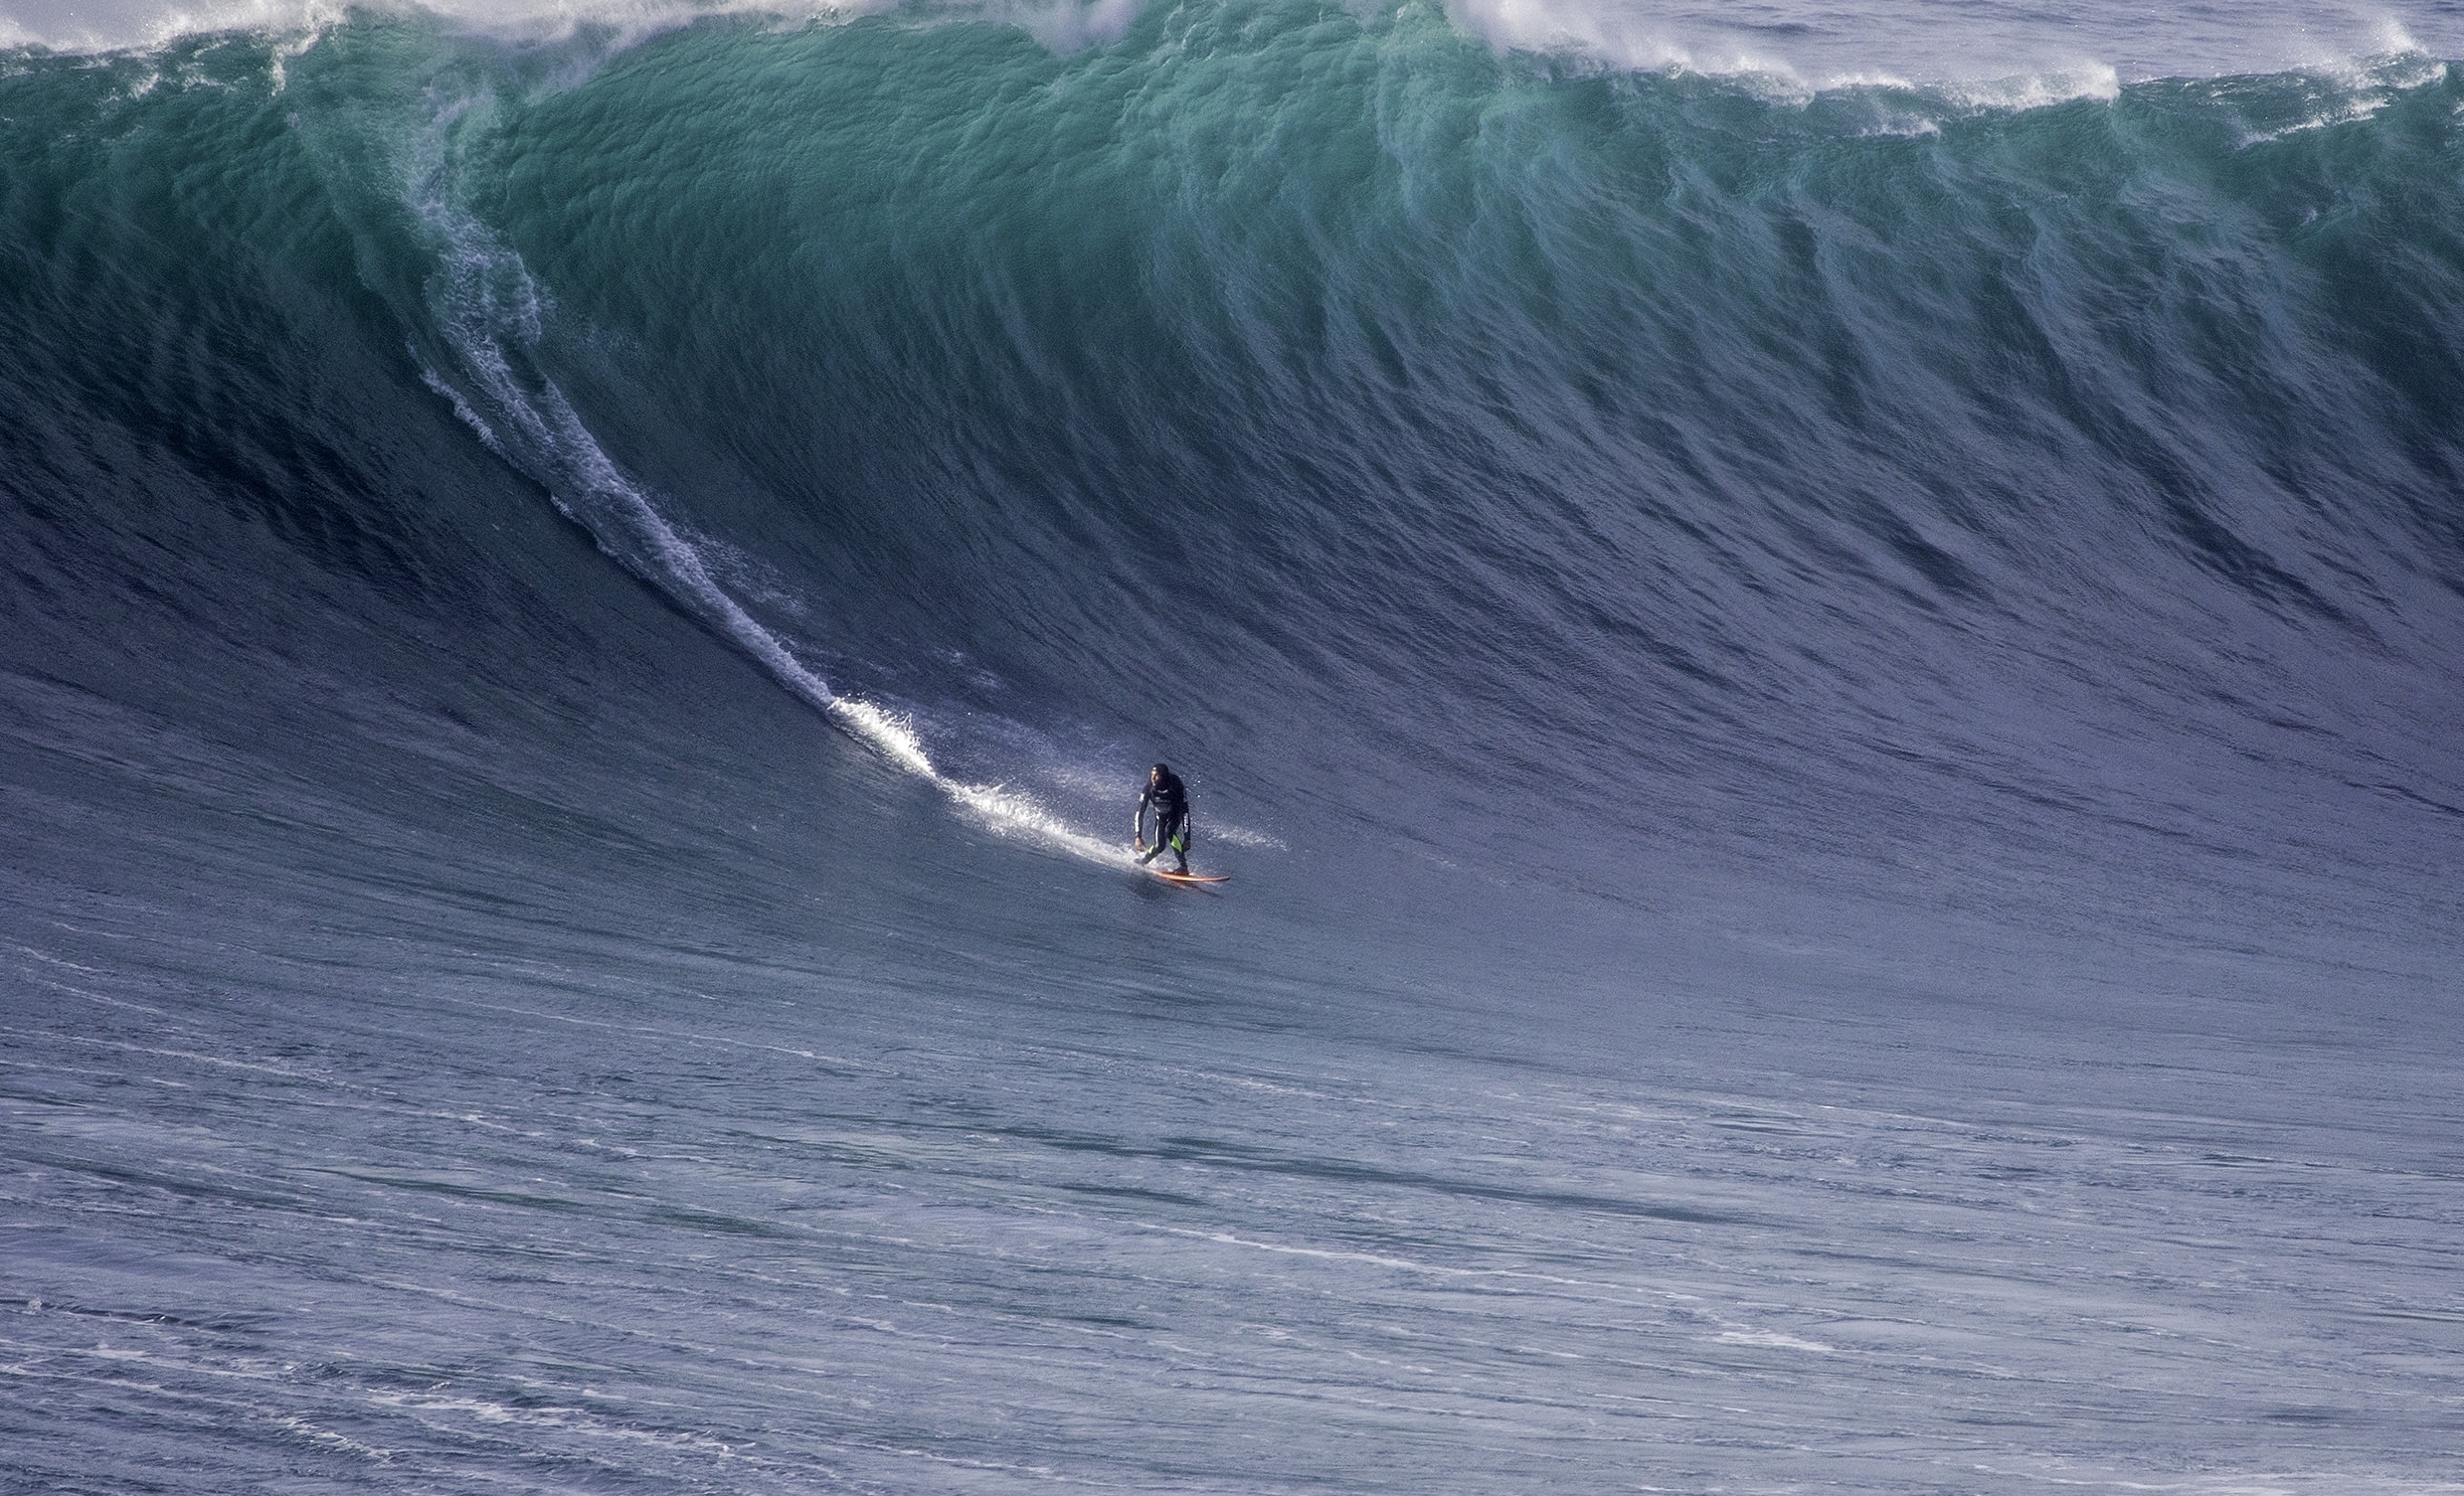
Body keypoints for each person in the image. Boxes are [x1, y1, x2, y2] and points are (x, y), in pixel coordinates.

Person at [1133, 762, 1192, 874]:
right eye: (1152, 775)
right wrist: (1138, 836)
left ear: (1163, 776)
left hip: (1175, 813)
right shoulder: (1148, 789)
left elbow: (1185, 812)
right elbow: (1139, 813)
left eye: (1156, 775)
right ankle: (1144, 861)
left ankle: (1183, 867)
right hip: (1160, 816)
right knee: (1160, 846)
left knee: (1169, 831)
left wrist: (1187, 838)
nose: (1153, 778)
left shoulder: (1176, 785)